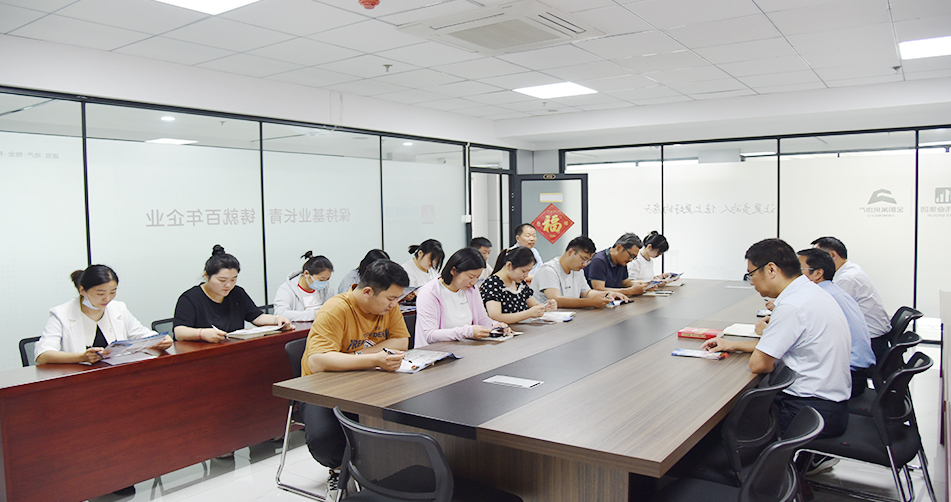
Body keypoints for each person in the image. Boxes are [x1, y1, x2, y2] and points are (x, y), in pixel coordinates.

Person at [702, 238, 851, 449]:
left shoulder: (792, 305)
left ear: (771, 269)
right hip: (829, 405)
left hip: (807, 410)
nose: (751, 282)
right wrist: (732, 345)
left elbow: (759, 364)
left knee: (716, 430)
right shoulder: (810, 292)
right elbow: (783, 346)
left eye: (751, 274)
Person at [300, 260, 411, 500]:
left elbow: (401, 342)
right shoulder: (335, 309)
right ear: (368, 292)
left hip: (366, 381)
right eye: (391, 298)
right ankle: (338, 471)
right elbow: (317, 361)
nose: (394, 304)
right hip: (323, 388)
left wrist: (359, 356)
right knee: (324, 440)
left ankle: (384, 472)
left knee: (402, 418)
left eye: (397, 299)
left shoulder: (388, 308)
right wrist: (374, 359)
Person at [35, 265, 173, 365]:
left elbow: (141, 334)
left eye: (113, 292)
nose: (107, 298)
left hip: (117, 375)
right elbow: (42, 355)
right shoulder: (61, 314)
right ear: (82, 290)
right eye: (100, 293)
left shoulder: (118, 308)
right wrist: (81, 357)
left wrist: (161, 339)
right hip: (80, 380)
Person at [797, 248, 876, 398]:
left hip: (847, 376)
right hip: (857, 370)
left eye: (798, 270)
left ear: (817, 273)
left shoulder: (820, 296)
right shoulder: (833, 290)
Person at [173, 245, 292, 342]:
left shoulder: (237, 293)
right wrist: (202, 333)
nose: (228, 285)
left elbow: (257, 317)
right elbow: (179, 332)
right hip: (200, 352)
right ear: (206, 276)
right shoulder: (190, 298)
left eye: (233, 279)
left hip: (232, 348)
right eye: (222, 280)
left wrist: (277, 320)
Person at [811, 236, 891, 361]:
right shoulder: (850, 270)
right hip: (873, 336)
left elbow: (829, 312)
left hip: (870, 342)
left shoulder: (846, 279)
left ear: (832, 255)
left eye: (817, 257)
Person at [415, 247, 511, 347]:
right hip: (435, 351)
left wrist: (495, 325)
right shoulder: (429, 293)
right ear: (453, 270)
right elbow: (430, 335)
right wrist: (468, 331)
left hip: (463, 348)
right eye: (471, 277)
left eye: (477, 277)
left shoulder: (471, 289)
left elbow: (482, 319)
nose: (474, 282)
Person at [532, 236, 627, 308]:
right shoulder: (548, 270)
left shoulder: (577, 270)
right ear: (571, 252)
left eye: (588, 261)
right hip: (546, 320)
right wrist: (591, 302)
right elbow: (556, 300)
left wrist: (607, 294)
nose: (585, 264)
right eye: (584, 259)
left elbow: (587, 293)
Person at [480, 246, 556, 324]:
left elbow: (534, 305)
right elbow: (495, 316)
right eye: (523, 271)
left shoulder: (519, 282)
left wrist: (545, 307)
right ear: (509, 265)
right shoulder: (492, 284)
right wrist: (528, 313)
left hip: (521, 329)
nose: (526, 275)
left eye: (528, 271)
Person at [585, 232, 655, 296]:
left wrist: (646, 285)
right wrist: (630, 291)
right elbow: (599, 289)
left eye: (634, 257)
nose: (631, 260)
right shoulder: (599, 261)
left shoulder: (621, 262)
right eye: (631, 255)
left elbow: (625, 283)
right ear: (619, 247)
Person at [274, 251, 334, 322]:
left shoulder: (326, 289)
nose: (324, 283)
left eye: (327, 279)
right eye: (321, 279)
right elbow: (280, 314)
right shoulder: (286, 289)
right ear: (306, 274)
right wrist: (315, 314)